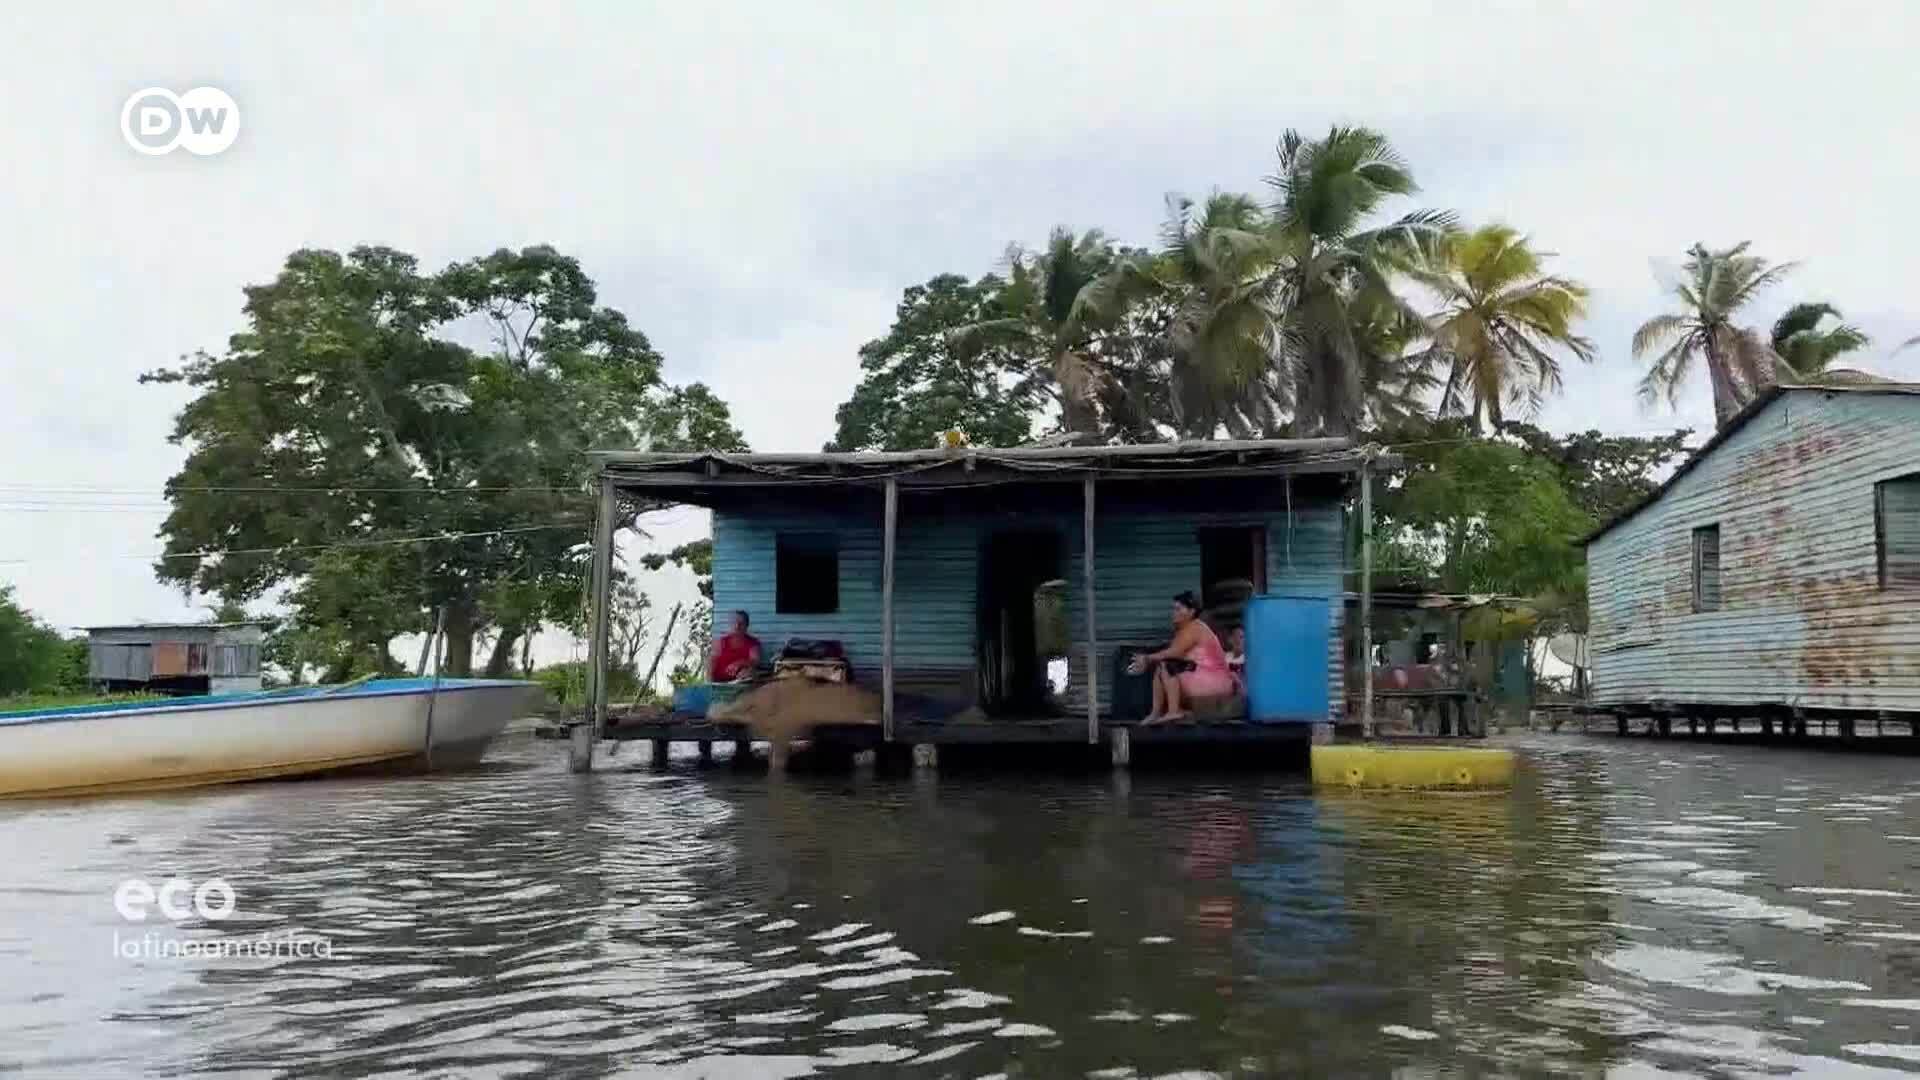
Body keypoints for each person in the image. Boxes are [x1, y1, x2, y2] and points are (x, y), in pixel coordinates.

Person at [1127, 592, 1234, 724]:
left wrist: (1147, 658)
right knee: (1161, 667)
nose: (1174, 613)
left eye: (1178, 609)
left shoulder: (1195, 627)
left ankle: (1174, 711)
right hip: (1201, 677)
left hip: (1215, 682)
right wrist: (1148, 660)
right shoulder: (1184, 629)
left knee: (1167, 665)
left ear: (1191, 612)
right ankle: (1156, 712)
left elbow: (1174, 653)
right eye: (1173, 609)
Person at [708, 610, 762, 683]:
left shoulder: (753, 643)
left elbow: (755, 661)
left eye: (741, 623)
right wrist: (710, 683)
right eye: (735, 622)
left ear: (747, 626)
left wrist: (740, 663)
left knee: (751, 672)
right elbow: (711, 662)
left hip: (740, 683)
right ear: (730, 624)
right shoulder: (721, 642)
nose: (737, 626)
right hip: (719, 683)